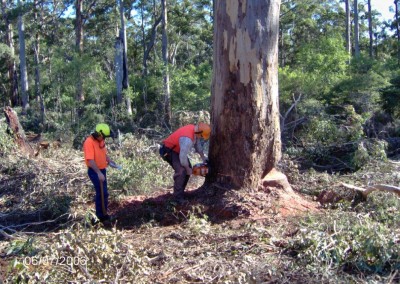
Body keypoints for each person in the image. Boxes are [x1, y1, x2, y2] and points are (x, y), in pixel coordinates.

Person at [160, 122, 211, 199]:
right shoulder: (187, 139)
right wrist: (188, 169)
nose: (201, 138)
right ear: (199, 132)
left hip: (177, 151)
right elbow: (183, 158)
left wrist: (204, 158)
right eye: (201, 136)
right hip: (168, 150)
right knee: (182, 171)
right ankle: (177, 198)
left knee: (188, 168)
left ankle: (181, 192)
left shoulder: (195, 130)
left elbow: (198, 146)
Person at [83, 123, 116, 223]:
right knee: (101, 193)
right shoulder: (89, 142)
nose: (104, 139)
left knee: (104, 193)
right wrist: (98, 173)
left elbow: (103, 153)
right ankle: (99, 217)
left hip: (102, 170)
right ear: (99, 134)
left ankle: (104, 214)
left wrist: (109, 161)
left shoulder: (100, 141)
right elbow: (90, 160)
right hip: (94, 171)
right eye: (104, 137)